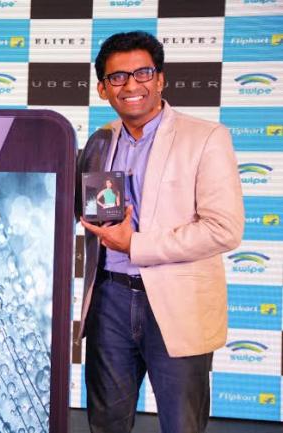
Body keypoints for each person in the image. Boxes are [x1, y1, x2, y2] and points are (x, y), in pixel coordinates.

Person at [75, 31, 244, 433]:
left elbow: (224, 230)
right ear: (103, 89)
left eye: (143, 73)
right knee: (106, 423)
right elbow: (83, 206)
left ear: (161, 79)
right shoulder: (100, 140)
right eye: (118, 77)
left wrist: (135, 244)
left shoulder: (206, 137)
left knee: (182, 425)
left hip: (177, 301)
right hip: (109, 300)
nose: (131, 85)